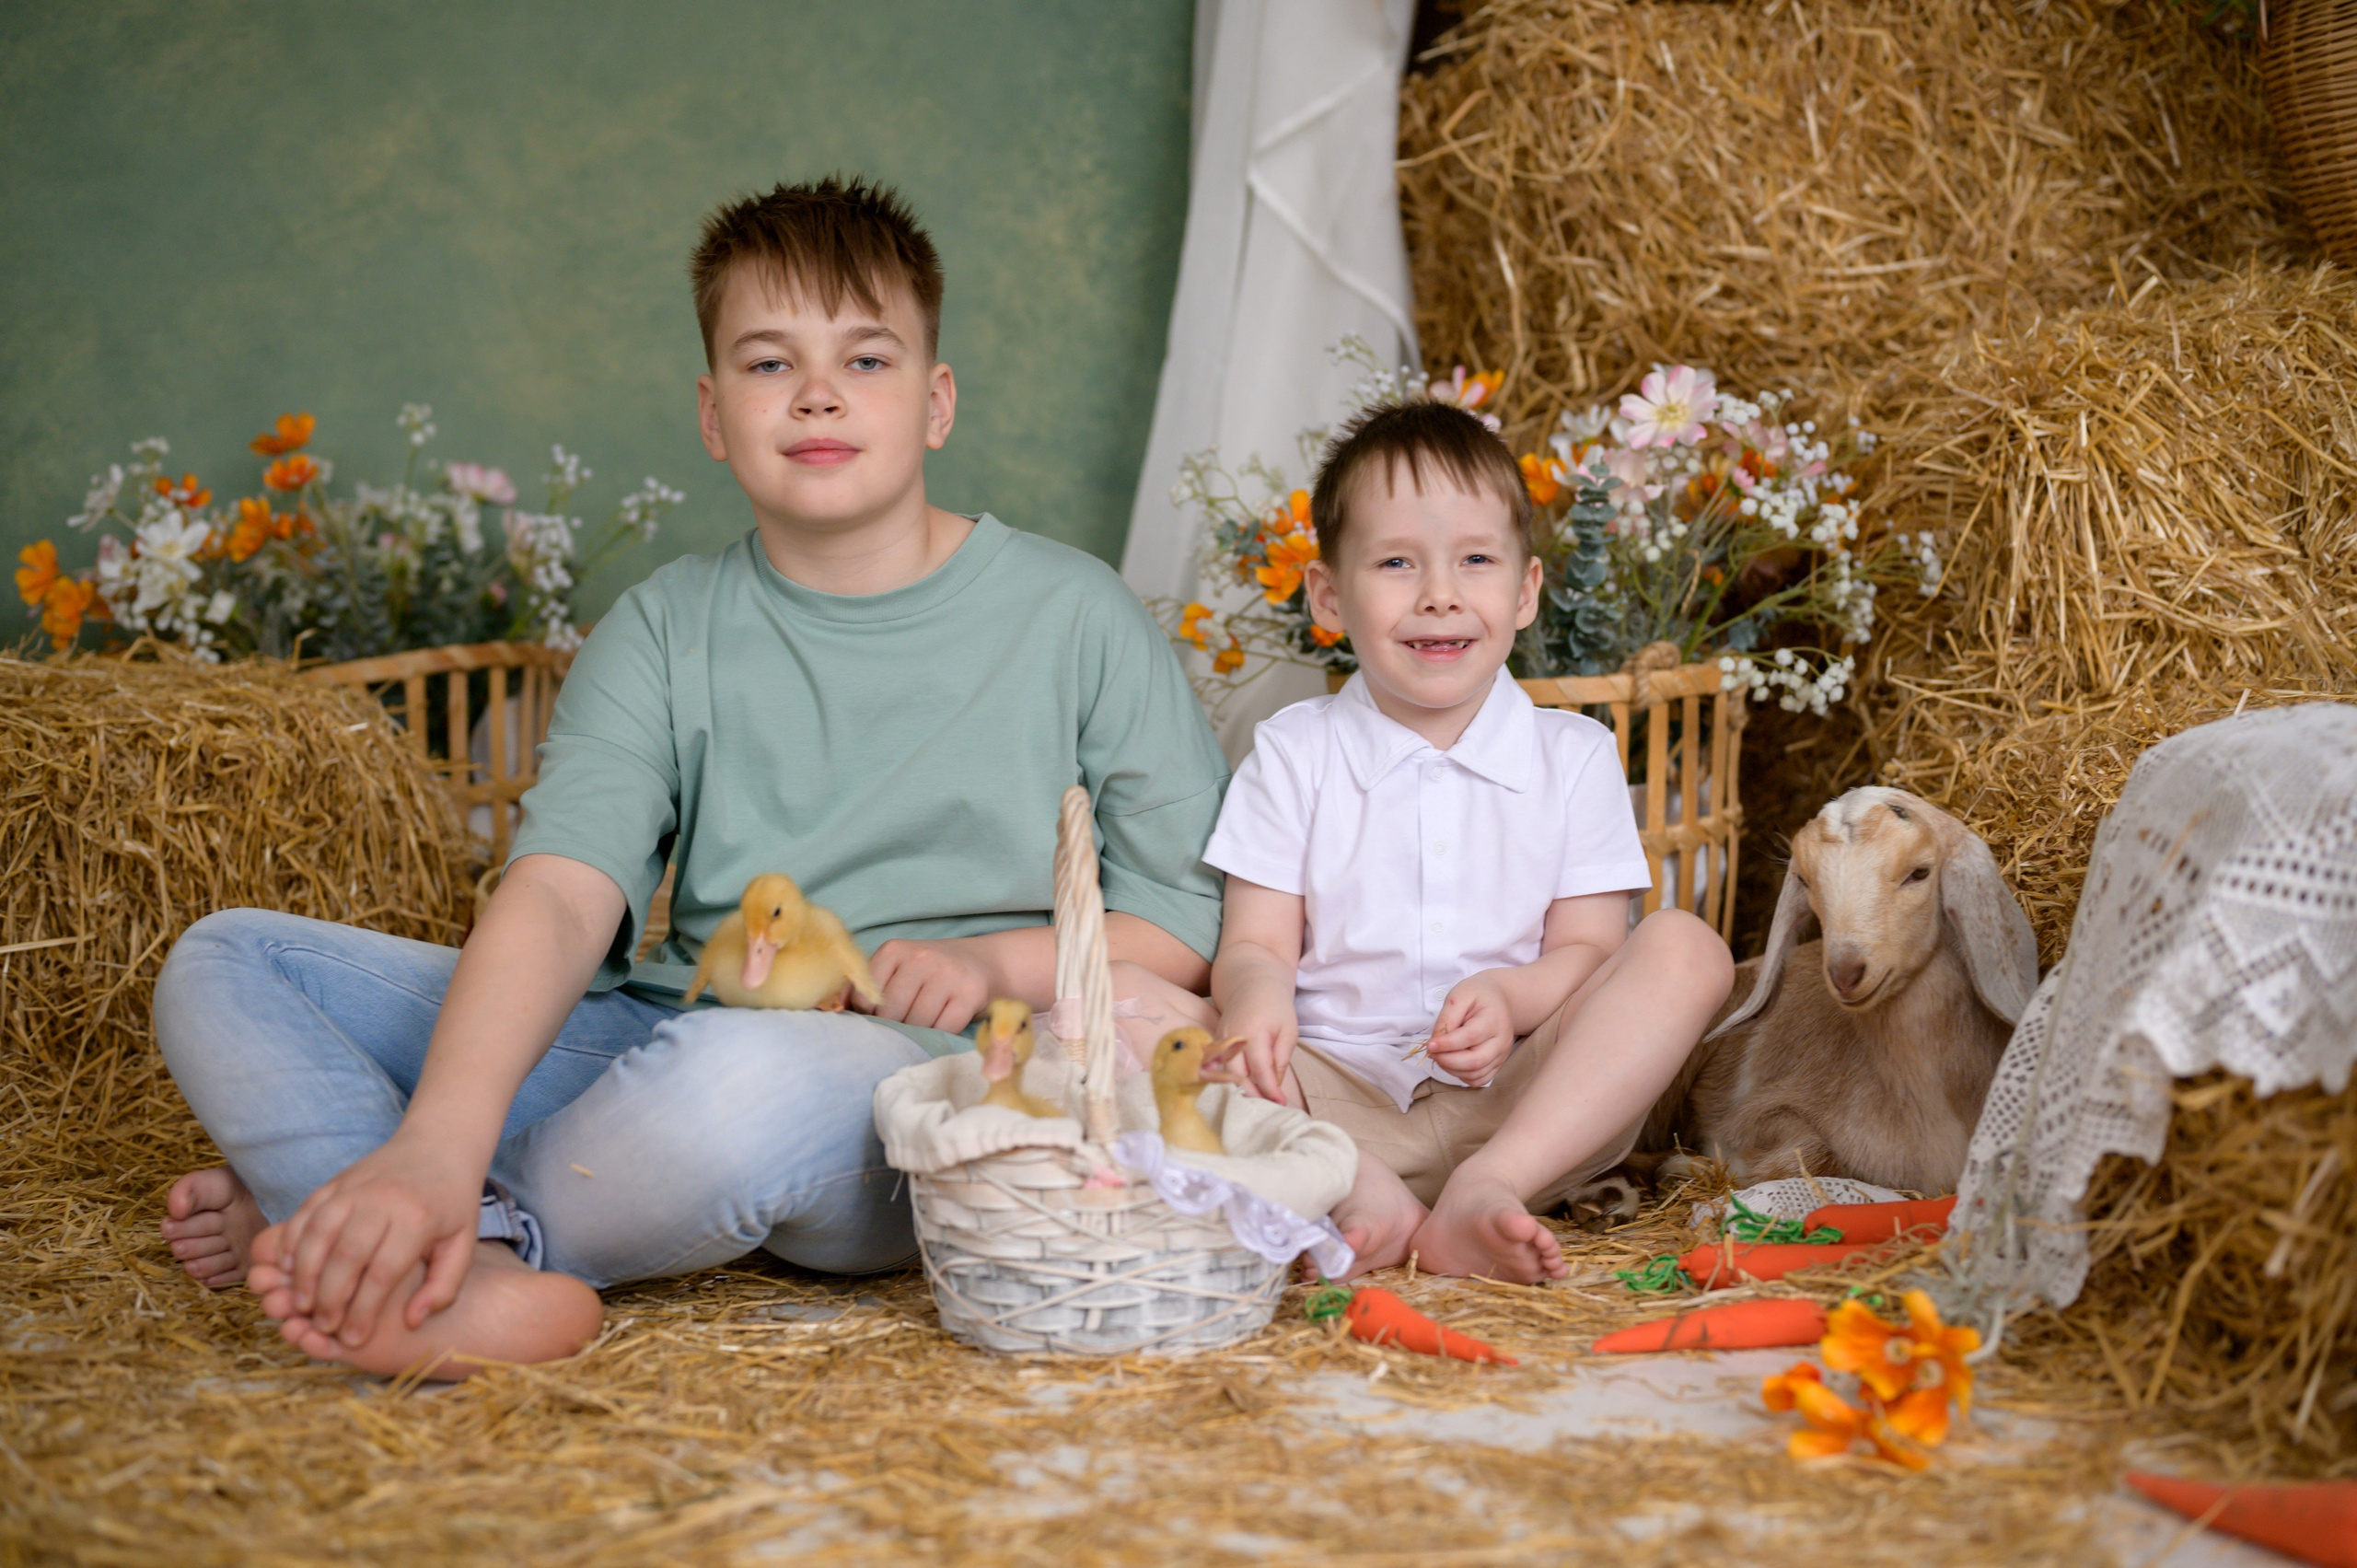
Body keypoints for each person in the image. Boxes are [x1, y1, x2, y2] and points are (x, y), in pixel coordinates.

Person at [154, 177, 1229, 1376]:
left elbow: (1184, 917)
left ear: (935, 402)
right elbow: (561, 893)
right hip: (666, 1031)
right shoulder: (662, 626)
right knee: (228, 960)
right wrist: (440, 1140)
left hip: (924, 1084)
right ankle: (430, 1235)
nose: (817, 392)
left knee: (734, 1083)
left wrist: (990, 963)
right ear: (714, 414)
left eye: (865, 359)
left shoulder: (1074, 613)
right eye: (769, 363)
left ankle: (370, 1219)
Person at [1206, 401, 1735, 1284]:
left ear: (1525, 592)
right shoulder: (1293, 752)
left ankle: (1490, 1187)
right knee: (1139, 1018)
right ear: (1328, 596)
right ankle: (1361, 1190)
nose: (1439, 593)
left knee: (1686, 947)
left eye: (1476, 560)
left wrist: (1512, 995)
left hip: (1527, 1105)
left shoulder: (1574, 755)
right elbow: (1255, 942)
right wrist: (1257, 1004)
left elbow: (1590, 950)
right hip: (1327, 1101)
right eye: (1396, 562)